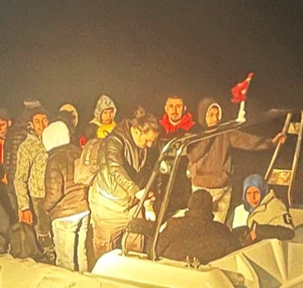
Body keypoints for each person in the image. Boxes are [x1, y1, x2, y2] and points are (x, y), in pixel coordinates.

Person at [186, 97, 284, 223]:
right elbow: (194, 155)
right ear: (203, 116)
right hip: (200, 187)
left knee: (218, 224)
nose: (215, 119)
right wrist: (209, 134)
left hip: (221, 187)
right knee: (198, 222)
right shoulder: (195, 134)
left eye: (217, 115)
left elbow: (247, 141)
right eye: (211, 115)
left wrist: (270, 143)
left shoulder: (226, 133)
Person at [88, 112, 161, 263]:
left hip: (133, 206)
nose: (150, 145)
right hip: (109, 206)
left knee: (136, 253)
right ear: (137, 131)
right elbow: (115, 167)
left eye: (152, 141)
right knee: (105, 255)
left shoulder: (146, 148)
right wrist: (135, 191)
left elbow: (147, 173)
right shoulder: (114, 142)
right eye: (147, 140)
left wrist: (148, 202)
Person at [41, 120, 89, 271]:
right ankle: (85, 283)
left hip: (64, 215)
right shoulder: (79, 153)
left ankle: (67, 285)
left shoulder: (54, 160)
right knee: (81, 255)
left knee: (65, 261)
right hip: (83, 209)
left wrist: (45, 208)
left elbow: (55, 193)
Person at [156, 190, 239, 265]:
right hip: (209, 276)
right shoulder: (222, 231)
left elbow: (156, 250)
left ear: (190, 204)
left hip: (173, 274)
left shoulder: (174, 225)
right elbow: (234, 259)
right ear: (210, 207)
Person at [13, 107, 53, 259]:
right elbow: (20, 178)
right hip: (38, 199)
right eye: (37, 121)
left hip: (56, 196)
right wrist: (24, 206)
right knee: (44, 237)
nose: (41, 125)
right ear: (31, 124)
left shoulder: (55, 140)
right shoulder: (27, 146)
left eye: (44, 120)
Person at [4, 98, 45, 211]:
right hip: (27, 188)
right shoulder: (27, 136)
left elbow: (7, 162)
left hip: (17, 183)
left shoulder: (12, 131)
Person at [230, 173, 295, 243]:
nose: (253, 197)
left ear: (263, 191)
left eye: (256, 193)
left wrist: (258, 232)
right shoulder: (246, 209)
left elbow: (289, 232)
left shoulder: (275, 205)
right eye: (249, 193)